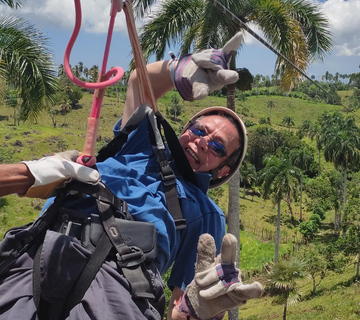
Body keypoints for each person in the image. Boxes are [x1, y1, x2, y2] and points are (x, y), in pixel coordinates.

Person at [0, 32, 263, 320]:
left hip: (119, 277)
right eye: (200, 131)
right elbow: (140, 82)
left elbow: (182, 305)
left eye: (216, 146)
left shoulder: (206, 212)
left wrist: (198, 312)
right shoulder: (139, 145)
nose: (202, 142)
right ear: (186, 130)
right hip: (37, 251)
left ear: (222, 169)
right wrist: (181, 71)